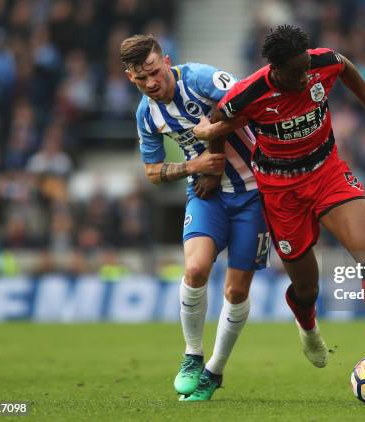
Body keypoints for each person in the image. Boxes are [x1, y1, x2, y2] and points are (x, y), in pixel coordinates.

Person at [193, 25, 365, 394]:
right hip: (280, 190)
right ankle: (307, 326)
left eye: (306, 66)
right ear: (274, 67)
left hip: (326, 173)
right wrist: (213, 160)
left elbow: (346, 67)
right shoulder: (249, 93)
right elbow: (220, 123)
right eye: (295, 71)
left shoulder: (320, 63)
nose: (305, 76)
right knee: (306, 288)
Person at [121, 35, 270, 401]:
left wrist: (212, 156)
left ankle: (214, 370)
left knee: (235, 290)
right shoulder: (146, 114)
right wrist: (196, 166)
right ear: (131, 79)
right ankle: (192, 355)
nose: (151, 83)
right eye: (141, 80)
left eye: (154, 72)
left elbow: (247, 105)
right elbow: (153, 172)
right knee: (195, 270)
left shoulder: (203, 79)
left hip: (254, 191)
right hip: (207, 195)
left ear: (166, 61)